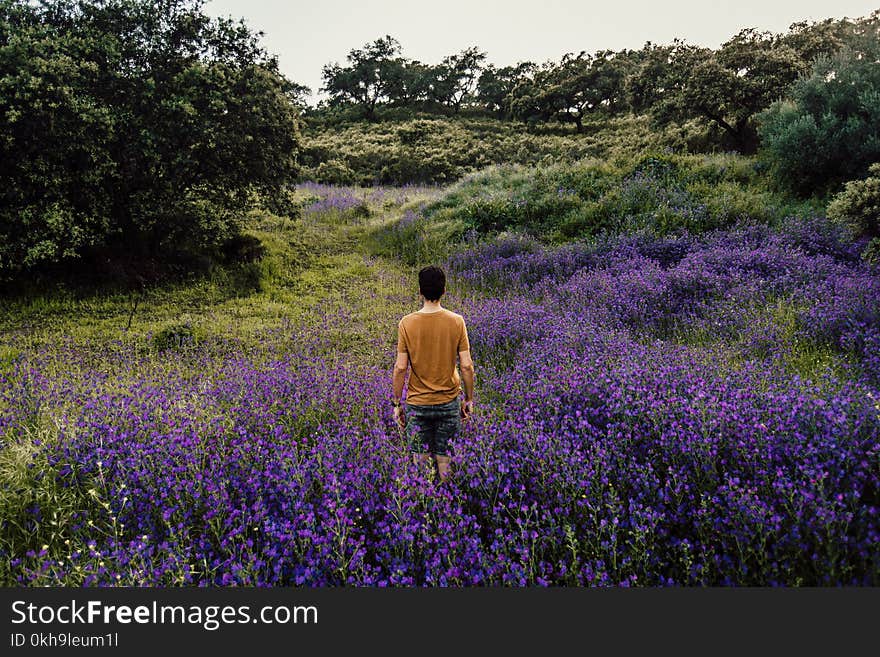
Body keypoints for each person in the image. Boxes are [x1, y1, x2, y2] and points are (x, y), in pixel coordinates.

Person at [392, 266, 474, 481]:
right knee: (445, 461)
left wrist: (396, 404)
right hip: (448, 402)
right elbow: (466, 365)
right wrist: (469, 399)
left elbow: (400, 367)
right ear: (444, 290)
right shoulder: (457, 321)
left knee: (420, 462)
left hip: (418, 404)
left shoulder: (406, 323)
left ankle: (424, 506)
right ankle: (446, 506)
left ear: (420, 291)